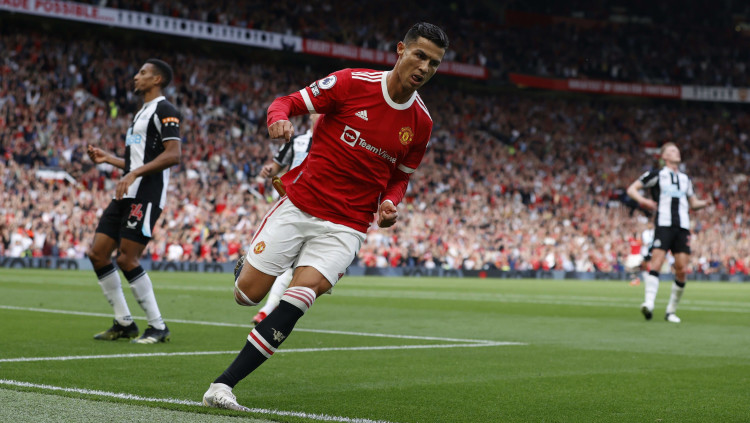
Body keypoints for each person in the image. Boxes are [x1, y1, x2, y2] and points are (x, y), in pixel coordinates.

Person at [202, 22, 449, 411]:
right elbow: (286, 102)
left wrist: (390, 203)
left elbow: (400, 178)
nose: (425, 67)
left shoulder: (421, 122)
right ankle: (247, 265)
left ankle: (223, 385)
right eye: (420, 55)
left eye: (434, 63)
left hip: (348, 225)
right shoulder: (351, 83)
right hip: (301, 204)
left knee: (301, 296)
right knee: (245, 296)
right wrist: (277, 119)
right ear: (401, 50)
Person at [86, 58, 182, 343]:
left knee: (127, 258)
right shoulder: (140, 113)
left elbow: (173, 154)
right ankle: (124, 322)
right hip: (126, 191)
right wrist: (109, 159)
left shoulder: (165, 109)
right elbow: (136, 162)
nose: (136, 76)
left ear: (157, 79)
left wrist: (134, 173)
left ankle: (158, 326)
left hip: (146, 193)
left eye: (142, 72)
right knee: (98, 254)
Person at [626, 142, 711, 323]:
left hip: (682, 227)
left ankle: (670, 311)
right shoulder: (657, 175)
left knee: (682, 269)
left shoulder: (685, 179)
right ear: (664, 156)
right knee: (656, 262)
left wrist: (705, 203)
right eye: (672, 150)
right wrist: (644, 201)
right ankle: (649, 304)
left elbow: (693, 203)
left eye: (677, 150)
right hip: (664, 224)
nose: (676, 152)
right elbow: (632, 189)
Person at [251, 113, 319, 326]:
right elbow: (276, 166)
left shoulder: (333, 140)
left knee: (297, 266)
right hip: (293, 201)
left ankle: (268, 310)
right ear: (311, 115)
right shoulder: (297, 141)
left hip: (318, 205)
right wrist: (269, 170)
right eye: (318, 111)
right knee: (289, 264)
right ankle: (269, 309)